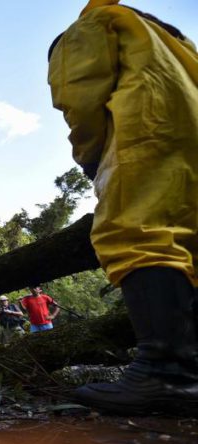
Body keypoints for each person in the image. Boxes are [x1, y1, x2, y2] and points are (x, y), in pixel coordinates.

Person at [48, 0, 198, 414]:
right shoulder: (167, 35)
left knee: (135, 232)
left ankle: (166, 374)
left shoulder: (89, 25)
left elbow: (80, 96)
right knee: (190, 245)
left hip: (150, 126)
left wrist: (91, 157)